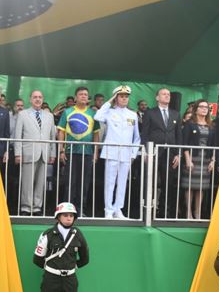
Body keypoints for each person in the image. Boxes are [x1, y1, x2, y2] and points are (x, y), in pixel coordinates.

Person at [94, 86, 141, 219]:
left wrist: (133, 154)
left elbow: (136, 137)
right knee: (109, 182)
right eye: (121, 96)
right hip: (112, 152)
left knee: (122, 183)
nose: (124, 98)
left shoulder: (132, 115)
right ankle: (108, 209)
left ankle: (118, 209)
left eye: (126, 96)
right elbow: (98, 116)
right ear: (116, 97)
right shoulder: (109, 112)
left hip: (126, 154)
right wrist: (109, 102)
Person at [57, 87, 100, 217]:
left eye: (85, 94)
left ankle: (80, 209)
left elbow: (96, 134)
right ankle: (68, 210)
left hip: (87, 152)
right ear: (75, 97)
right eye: (80, 94)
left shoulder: (93, 114)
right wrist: (61, 150)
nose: (83, 96)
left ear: (88, 98)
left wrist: (96, 152)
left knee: (84, 182)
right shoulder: (67, 112)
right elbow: (61, 132)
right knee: (70, 182)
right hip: (71, 151)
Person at [140, 88, 182, 218]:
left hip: (170, 152)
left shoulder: (175, 114)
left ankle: (164, 211)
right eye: (164, 94)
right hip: (153, 151)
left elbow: (178, 135)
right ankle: (148, 209)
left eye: (168, 94)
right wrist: (145, 151)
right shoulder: (150, 112)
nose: (167, 96)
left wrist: (178, 154)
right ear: (157, 97)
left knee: (168, 182)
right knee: (150, 180)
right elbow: (145, 133)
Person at [14, 90, 57, 216]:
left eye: (39, 97)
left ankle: (37, 207)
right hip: (28, 152)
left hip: (44, 153)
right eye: (35, 97)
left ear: (42, 99)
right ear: (30, 99)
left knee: (40, 182)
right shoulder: (22, 114)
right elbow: (18, 135)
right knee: (27, 182)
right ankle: (26, 207)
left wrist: (53, 153)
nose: (37, 99)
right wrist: (18, 153)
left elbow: (51, 137)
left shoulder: (49, 116)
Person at [180, 100, 215, 220]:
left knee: (201, 187)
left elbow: (214, 145)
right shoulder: (190, 124)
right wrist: (188, 160)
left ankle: (198, 212)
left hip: (205, 159)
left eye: (206, 107)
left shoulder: (211, 125)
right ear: (196, 109)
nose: (205, 109)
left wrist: (213, 160)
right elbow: (185, 143)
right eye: (202, 107)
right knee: (190, 186)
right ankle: (188, 212)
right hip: (193, 157)